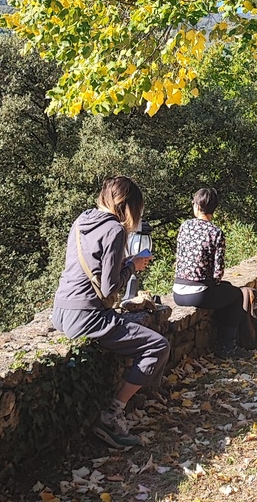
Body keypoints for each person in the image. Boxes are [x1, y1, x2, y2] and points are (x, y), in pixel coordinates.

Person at [53, 176, 171, 450]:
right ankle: (111, 415)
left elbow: (92, 268)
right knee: (158, 346)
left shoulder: (81, 221)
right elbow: (109, 288)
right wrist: (132, 266)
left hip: (61, 311)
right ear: (128, 206)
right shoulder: (115, 230)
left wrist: (125, 262)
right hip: (86, 316)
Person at [173, 187, 245, 355]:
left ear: (197, 206)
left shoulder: (185, 226)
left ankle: (221, 343)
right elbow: (218, 273)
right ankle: (227, 347)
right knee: (236, 295)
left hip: (177, 293)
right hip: (199, 295)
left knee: (225, 289)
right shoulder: (216, 232)